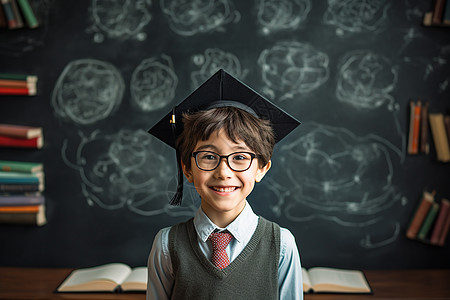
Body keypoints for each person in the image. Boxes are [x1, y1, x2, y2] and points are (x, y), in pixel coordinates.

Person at [146, 69, 303, 299]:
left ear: (261, 169)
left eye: (239, 157)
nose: (223, 172)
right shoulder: (166, 246)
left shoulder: (281, 246)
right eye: (209, 156)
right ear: (187, 168)